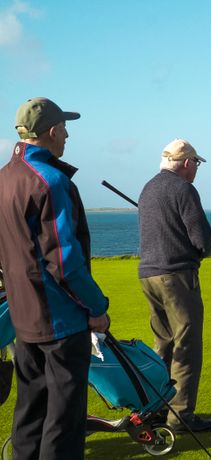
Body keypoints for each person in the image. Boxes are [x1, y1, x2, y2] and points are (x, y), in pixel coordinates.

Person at [0, 97, 110, 459]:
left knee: (30, 413)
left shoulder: (5, 177)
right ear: (51, 131)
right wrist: (96, 306)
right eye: (64, 127)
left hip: (24, 317)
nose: (67, 135)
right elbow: (63, 262)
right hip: (60, 321)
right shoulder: (50, 181)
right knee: (63, 422)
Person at [138, 139, 211, 432]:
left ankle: (157, 409)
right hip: (176, 276)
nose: (197, 169)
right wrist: (202, 250)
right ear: (187, 163)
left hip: (148, 275)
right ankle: (181, 416)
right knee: (186, 347)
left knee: (163, 345)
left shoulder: (148, 188)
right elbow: (202, 238)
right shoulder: (184, 189)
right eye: (196, 163)